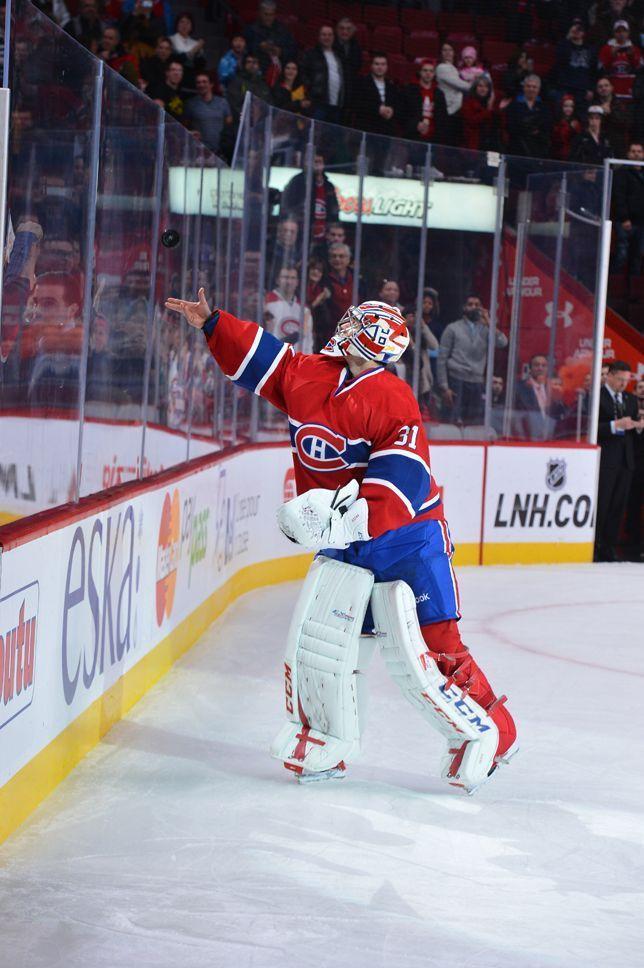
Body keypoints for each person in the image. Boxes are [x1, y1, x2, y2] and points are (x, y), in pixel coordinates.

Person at [165, 291, 518, 793]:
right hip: (343, 541)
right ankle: (326, 740)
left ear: (374, 343)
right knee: (326, 647)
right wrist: (212, 324)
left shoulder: (394, 398)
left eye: (358, 324)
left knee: (437, 647)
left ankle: (494, 733)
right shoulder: (309, 373)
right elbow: (264, 357)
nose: (345, 327)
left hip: (407, 540)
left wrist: (347, 520)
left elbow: (403, 479)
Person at [595, 360, 643, 561]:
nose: (624, 384)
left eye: (626, 380)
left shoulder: (630, 400)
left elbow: (632, 432)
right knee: (603, 504)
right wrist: (615, 426)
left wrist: (638, 427)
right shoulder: (597, 396)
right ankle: (596, 546)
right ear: (610, 376)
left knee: (617, 506)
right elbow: (591, 427)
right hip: (606, 459)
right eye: (620, 379)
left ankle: (610, 546)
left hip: (626, 461)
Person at [437, 295, 508, 426]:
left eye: (477, 305)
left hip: (476, 381)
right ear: (464, 307)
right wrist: (444, 386)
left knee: (474, 422)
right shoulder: (453, 328)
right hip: (456, 379)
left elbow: (503, 342)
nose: (474, 307)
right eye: (470, 304)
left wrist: (489, 322)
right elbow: (442, 358)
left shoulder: (486, 329)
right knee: (452, 419)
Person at [280, 152, 339, 244]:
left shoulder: (328, 185)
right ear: (306, 163)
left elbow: (334, 208)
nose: (317, 165)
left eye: (320, 162)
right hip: (302, 228)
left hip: (323, 231)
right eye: (315, 162)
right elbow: (287, 204)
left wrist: (334, 224)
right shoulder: (297, 181)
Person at [513, 353, 567, 440]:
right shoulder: (519, 388)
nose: (540, 368)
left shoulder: (552, 387)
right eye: (536, 365)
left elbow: (560, 414)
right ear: (530, 368)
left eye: (544, 365)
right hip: (527, 437)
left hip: (552, 437)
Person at [611, 141, 644, 279]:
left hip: (641, 222)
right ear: (628, 154)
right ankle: (610, 285)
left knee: (637, 256)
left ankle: (632, 294)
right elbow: (619, 197)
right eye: (633, 151)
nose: (636, 154)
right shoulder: (622, 172)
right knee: (621, 254)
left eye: (639, 151)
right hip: (625, 222)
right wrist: (624, 218)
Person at [301, 24, 345, 124]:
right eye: (324, 35)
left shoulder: (339, 56)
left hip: (336, 105)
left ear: (334, 37)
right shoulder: (311, 54)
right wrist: (309, 95)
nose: (327, 37)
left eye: (330, 35)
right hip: (318, 103)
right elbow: (303, 74)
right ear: (319, 37)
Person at [264, 266, 313, 353]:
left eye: (293, 278)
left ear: (297, 282)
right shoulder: (266, 303)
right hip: (273, 358)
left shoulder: (304, 310)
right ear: (277, 280)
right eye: (285, 277)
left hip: (297, 361)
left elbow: (308, 342)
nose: (289, 282)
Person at [505, 73, 553, 158]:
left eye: (534, 87)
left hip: (537, 150)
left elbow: (546, 127)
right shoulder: (514, 105)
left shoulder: (544, 108)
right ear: (524, 87)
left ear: (539, 89)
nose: (531, 89)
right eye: (528, 86)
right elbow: (511, 126)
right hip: (517, 149)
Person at [354, 52, 400, 138]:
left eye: (383, 64)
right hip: (367, 130)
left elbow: (397, 105)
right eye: (377, 64)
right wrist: (377, 109)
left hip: (386, 131)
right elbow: (357, 103)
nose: (380, 67)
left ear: (387, 67)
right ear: (371, 66)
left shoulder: (391, 86)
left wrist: (392, 110)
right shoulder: (362, 82)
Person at [184, 73, 232, 154]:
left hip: (220, 151)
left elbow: (229, 123)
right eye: (198, 82)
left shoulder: (222, 102)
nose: (201, 85)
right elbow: (185, 125)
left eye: (204, 82)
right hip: (198, 151)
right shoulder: (190, 104)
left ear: (211, 84)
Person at [553, 17, 596, 109]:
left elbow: (594, 71)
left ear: (584, 32)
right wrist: (568, 38)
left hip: (583, 91)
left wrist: (591, 89)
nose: (576, 30)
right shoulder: (563, 45)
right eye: (574, 27)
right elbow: (559, 64)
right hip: (566, 88)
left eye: (580, 29)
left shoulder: (590, 49)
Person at [403, 60, 448, 144]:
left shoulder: (439, 94)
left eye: (431, 71)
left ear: (434, 74)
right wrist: (415, 125)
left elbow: (443, 118)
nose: (428, 73)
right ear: (420, 72)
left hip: (433, 140)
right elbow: (403, 113)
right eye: (425, 70)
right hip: (413, 138)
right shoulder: (410, 90)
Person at [244, 0, 296, 72]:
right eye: (266, 14)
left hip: (277, 72)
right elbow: (244, 50)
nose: (269, 18)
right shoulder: (251, 29)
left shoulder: (283, 30)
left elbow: (293, 50)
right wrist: (259, 46)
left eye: (271, 14)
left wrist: (281, 52)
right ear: (260, 13)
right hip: (256, 71)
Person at [597, 19, 642, 100]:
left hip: (630, 91)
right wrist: (611, 56)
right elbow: (600, 70)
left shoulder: (634, 49)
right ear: (614, 33)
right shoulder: (606, 49)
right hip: (611, 92)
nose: (621, 34)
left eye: (624, 31)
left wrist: (631, 56)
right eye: (618, 31)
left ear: (628, 33)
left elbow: (639, 69)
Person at [435, 41, 470, 144]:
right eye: (444, 50)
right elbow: (461, 85)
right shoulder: (441, 67)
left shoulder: (454, 68)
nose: (447, 52)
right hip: (448, 110)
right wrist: (476, 84)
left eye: (450, 50)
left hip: (456, 111)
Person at [226, 53, 273, 122]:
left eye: (254, 62)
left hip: (260, 124)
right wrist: (247, 117)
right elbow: (234, 104)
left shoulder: (263, 84)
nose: (252, 65)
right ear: (244, 64)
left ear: (259, 65)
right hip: (241, 123)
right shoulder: (237, 81)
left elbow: (269, 104)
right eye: (248, 62)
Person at [593, 76, 632, 156]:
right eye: (600, 87)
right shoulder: (593, 105)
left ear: (611, 88)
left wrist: (611, 113)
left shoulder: (621, 104)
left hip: (618, 145)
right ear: (597, 90)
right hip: (599, 144)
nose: (603, 88)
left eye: (606, 85)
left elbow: (626, 124)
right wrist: (600, 112)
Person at [461, 74, 498, 152]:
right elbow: (472, 121)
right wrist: (488, 109)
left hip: (491, 145)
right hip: (473, 145)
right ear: (475, 88)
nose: (483, 89)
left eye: (486, 87)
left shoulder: (493, 104)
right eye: (480, 86)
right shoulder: (468, 103)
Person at [326, 242, 354, 320]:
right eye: (334, 256)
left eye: (341, 256)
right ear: (329, 259)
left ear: (348, 259)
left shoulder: (357, 281)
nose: (337, 259)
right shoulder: (324, 280)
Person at [551, 93, 583, 160]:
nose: (569, 109)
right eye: (566, 106)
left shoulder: (576, 123)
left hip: (571, 156)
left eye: (571, 106)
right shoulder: (556, 121)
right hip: (556, 155)